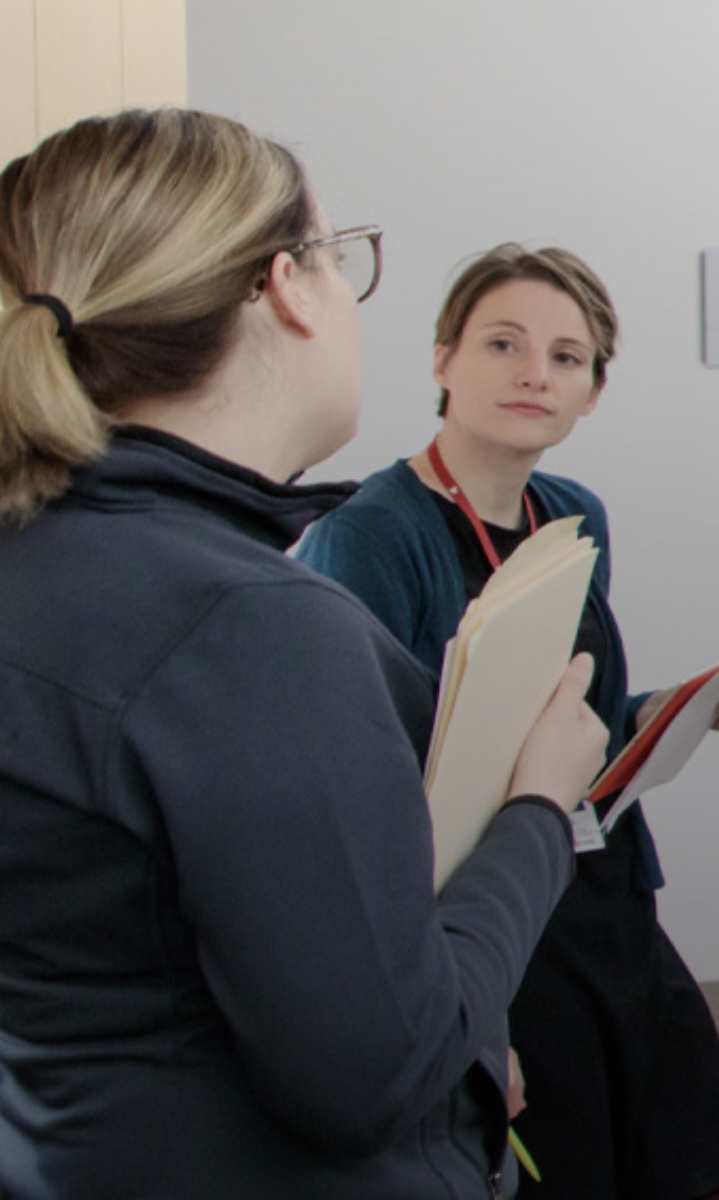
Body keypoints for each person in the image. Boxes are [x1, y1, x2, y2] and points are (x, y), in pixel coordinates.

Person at [0, 110, 608, 1199]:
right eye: (341, 259)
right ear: (284, 286)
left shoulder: (48, 560)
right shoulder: (243, 624)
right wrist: (537, 810)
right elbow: (382, 1072)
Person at [296, 244, 719, 1200]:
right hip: (486, 917)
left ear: (592, 390)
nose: (532, 375)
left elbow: (577, 722)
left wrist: (671, 709)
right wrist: (455, 1008)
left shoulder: (572, 513)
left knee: (706, 1169)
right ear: (440, 359)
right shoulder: (371, 534)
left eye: (566, 356)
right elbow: (363, 781)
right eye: (502, 344)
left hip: (602, 889)